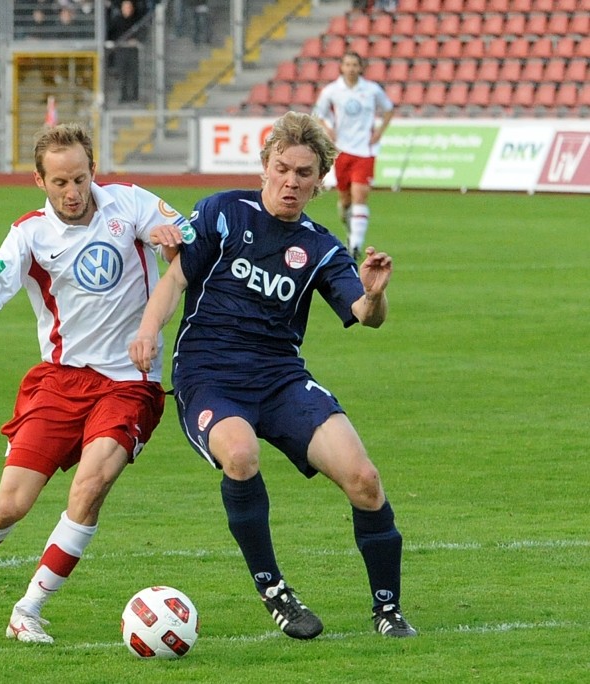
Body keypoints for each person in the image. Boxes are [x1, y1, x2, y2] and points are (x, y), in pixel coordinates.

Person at [0, 123, 188, 644]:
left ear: (93, 169)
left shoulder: (132, 203)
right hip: (59, 381)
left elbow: (186, 250)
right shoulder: (30, 233)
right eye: (59, 183)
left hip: (128, 383)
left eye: (79, 178)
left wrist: (171, 246)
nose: (72, 192)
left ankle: (28, 608)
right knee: (11, 503)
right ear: (39, 181)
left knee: (91, 484)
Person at [129, 111, 417, 640]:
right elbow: (175, 278)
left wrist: (375, 294)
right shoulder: (222, 212)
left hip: (281, 378)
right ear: (265, 166)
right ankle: (275, 592)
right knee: (239, 455)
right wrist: (149, 329)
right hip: (208, 374)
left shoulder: (323, 245)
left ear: (319, 182)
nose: (291, 181)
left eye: (304, 174)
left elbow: (362, 314)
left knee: (365, 479)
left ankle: (388, 609)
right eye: (282, 168)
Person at [313, 50, 394, 262]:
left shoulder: (371, 90)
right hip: (342, 150)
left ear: (360, 67)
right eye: (347, 64)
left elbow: (388, 110)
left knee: (360, 194)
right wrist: (327, 129)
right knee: (345, 201)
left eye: (354, 64)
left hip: (365, 151)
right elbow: (319, 113)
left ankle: (356, 244)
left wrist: (379, 131)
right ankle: (351, 233)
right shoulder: (332, 91)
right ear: (341, 67)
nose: (351, 68)